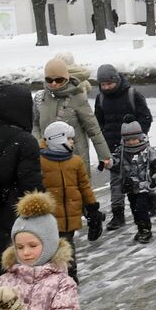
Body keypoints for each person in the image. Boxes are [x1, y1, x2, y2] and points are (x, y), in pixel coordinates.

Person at [0, 84, 45, 273]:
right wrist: (43, 213)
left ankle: (6, 300)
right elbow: (30, 183)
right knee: (26, 266)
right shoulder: (25, 140)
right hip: (18, 213)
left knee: (7, 266)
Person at [37, 121, 101, 282]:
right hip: (49, 218)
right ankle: (52, 279)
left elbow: (84, 186)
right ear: (58, 139)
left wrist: (92, 207)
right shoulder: (40, 161)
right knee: (49, 250)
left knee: (68, 248)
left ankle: (71, 277)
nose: (73, 141)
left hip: (70, 216)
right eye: (70, 139)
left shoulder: (75, 161)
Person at [93, 64, 152, 231]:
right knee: (116, 182)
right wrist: (102, 150)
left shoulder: (132, 94)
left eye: (109, 84)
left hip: (135, 147)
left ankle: (150, 199)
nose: (106, 87)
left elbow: (146, 117)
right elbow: (98, 124)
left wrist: (137, 137)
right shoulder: (101, 99)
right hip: (113, 148)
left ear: (116, 80)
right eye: (103, 85)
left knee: (140, 179)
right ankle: (118, 214)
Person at [34, 56, 111, 171]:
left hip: (74, 157)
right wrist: (38, 144)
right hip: (47, 156)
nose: (54, 83)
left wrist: (104, 156)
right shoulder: (41, 98)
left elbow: (93, 129)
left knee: (77, 187)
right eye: (49, 80)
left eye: (59, 80)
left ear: (66, 78)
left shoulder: (77, 97)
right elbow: (35, 124)